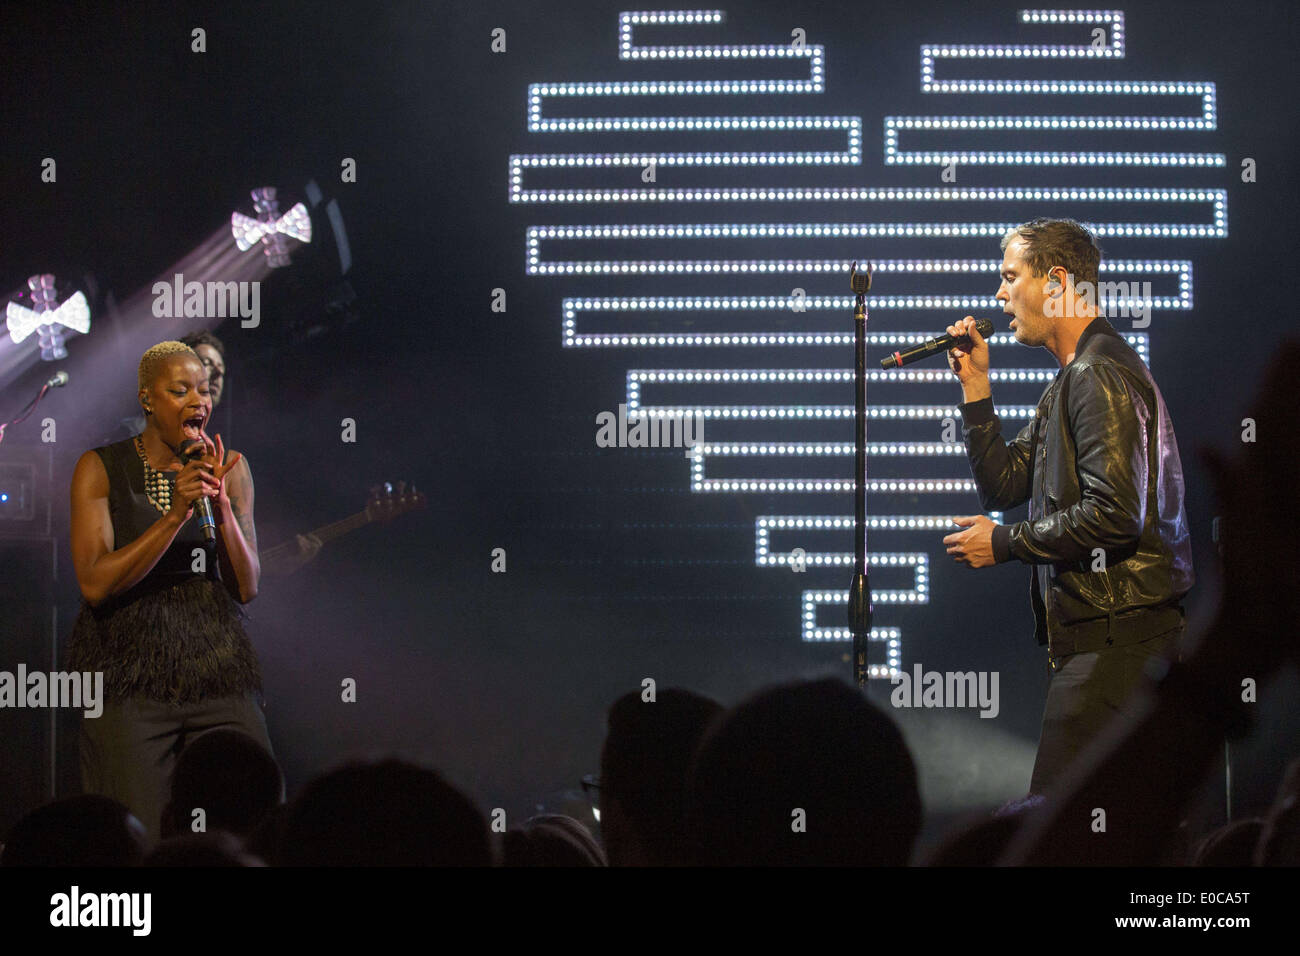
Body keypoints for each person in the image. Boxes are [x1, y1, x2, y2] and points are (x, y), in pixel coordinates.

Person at [942, 217, 1194, 797]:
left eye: (1010, 278)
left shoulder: (1095, 372)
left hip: (1117, 646)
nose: (998, 295)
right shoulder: (1069, 381)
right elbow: (1006, 485)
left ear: (1055, 280)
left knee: (1065, 834)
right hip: (1103, 645)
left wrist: (1004, 543)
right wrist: (976, 388)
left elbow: (1114, 512)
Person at [66, 340, 271, 844]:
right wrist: (175, 515)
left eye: (202, 389)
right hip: (130, 676)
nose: (197, 400)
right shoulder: (100, 467)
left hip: (216, 665)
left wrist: (220, 507)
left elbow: (246, 587)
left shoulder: (231, 468)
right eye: (179, 390)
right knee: (137, 830)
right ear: (147, 399)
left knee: (255, 811)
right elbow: (94, 583)